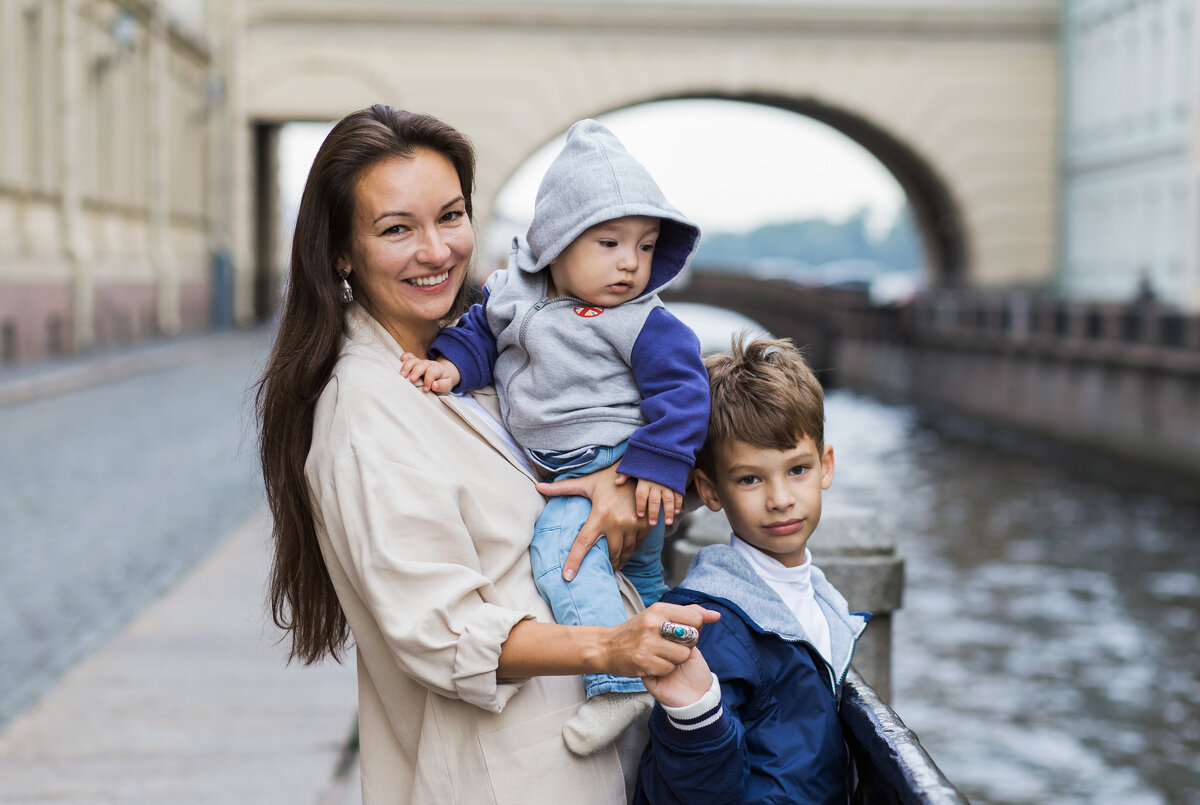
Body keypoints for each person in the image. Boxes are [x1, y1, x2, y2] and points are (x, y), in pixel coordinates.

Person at [254, 105, 716, 805]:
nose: (437, 250)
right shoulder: (365, 409)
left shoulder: (473, 363)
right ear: (342, 252)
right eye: (397, 229)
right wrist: (609, 649)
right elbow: (442, 632)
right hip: (504, 776)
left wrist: (618, 482)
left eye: (450, 216)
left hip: (576, 762)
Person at [401, 120, 710, 754]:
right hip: (563, 461)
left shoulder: (642, 321)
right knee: (643, 582)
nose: (630, 262)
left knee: (560, 559)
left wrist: (653, 470)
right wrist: (450, 367)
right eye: (609, 242)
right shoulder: (511, 292)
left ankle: (617, 685)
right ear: (554, 242)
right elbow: (478, 337)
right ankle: (678, 674)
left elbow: (685, 394)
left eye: (646, 246)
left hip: (615, 464)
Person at [634, 335, 871, 804]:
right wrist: (696, 714)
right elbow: (690, 792)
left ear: (826, 465)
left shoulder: (817, 601)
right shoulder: (710, 624)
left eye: (796, 469)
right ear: (711, 490)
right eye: (750, 479)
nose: (780, 498)